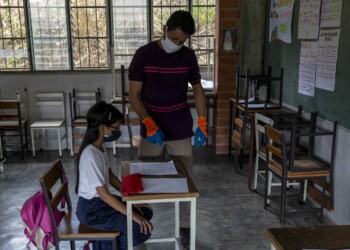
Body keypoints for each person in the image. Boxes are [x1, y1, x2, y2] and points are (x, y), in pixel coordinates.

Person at [128, 10, 207, 249]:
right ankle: (139, 223)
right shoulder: (144, 55)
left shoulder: (187, 56)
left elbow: (198, 90)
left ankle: (185, 227)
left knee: (186, 181)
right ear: (164, 29)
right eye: (174, 38)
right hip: (152, 127)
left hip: (179, 126)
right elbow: (134, 95)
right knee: (142, 180)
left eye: (182, 41)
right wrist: (149, 124)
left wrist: (202, 123)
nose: (177, 44)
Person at [75, 101, 153, 250]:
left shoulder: (98, 147)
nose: (116, 131)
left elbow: (109, 176)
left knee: (145, 212)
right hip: (92, 210)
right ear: (102, 127)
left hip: (99, 205)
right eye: (115, 127)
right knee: (142, 230)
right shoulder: (90, 156)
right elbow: (104, 195)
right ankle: (98, 246)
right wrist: (133, 215)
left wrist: (130, 199)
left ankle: (108, 241)